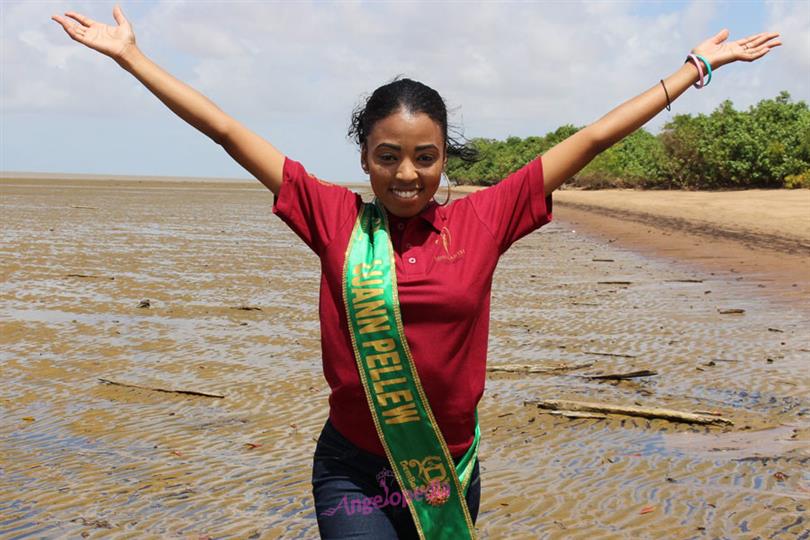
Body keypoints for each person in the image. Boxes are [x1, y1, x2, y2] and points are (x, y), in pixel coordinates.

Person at [52, 6, 780, 539]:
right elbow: (225, 130)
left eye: (425, 157)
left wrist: (697, 68)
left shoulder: (486, 218)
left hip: (446, 469)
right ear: (364, 156)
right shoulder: (332, 216)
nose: (407, 174)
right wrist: (130, 58)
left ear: (444, 157)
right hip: (353, 470)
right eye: (387, 156)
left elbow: (591, 137)